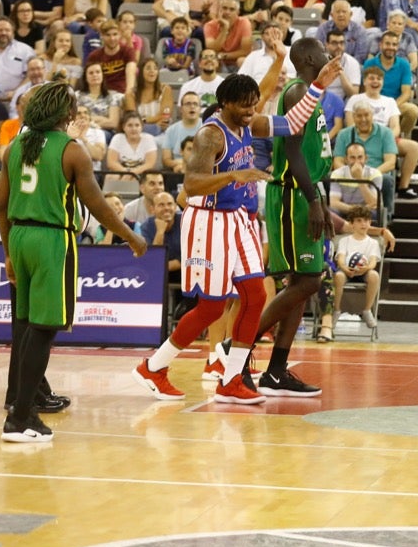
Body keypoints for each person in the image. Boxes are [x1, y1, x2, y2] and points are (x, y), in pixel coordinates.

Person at [132, 59, 338, 404]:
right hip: (207, 220)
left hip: (238, 218)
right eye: (244, 106)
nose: (250, 111)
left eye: (254, 104)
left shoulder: (250, 123)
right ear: (226, 103)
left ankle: (231, 379)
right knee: (211, 308)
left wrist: (317, 85)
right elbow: (192, 184)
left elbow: (290, 123)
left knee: (256, 296)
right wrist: (233, 176)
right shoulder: (210, 135)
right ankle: (154, 367)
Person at [0, 81, 147, 442]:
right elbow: (97, 205)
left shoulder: (14, 147)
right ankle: (21, 417)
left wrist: (6, 253)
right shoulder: (72, 150)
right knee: (44, 328)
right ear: (65, 114)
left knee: (28, 325)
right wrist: (130, 235)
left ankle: (23, 406)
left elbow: (0, 206)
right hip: (51, 239)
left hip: (18, 235)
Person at [245, 38, 335, 397]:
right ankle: (237, 348)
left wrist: (319, 198)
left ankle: (277, 371)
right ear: (312, 58)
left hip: (306, 191)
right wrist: (312, 199)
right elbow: (294, 152)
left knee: (302, 284)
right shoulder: (298, 93)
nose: (329, 56)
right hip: (292, 193)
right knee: (308, 282)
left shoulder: (310, 95)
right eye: (325, 52)